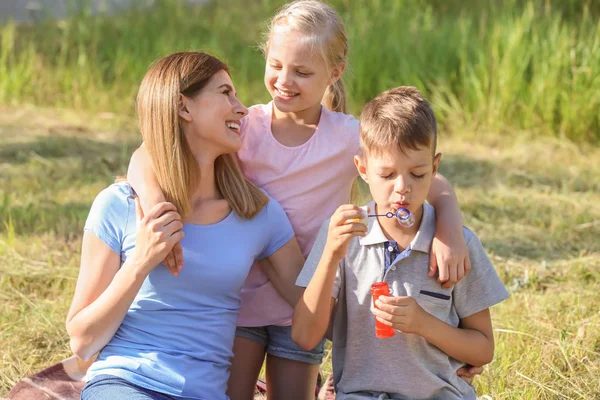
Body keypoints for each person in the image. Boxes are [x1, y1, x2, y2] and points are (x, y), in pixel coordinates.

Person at [127, 2, 479, 398]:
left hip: (305, 304)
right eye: (276, 65)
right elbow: (147, 154)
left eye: (302, 72)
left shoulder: (347, 136)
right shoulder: (242, 126)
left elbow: (424, 176)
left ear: (335, 72)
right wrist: (156, 205)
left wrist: (448, 226)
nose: (284, 80)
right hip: (239, 299)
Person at [66, 51, 306, 400]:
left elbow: (311, 304)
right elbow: (82, 341)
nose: (241, 108)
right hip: (125, 383)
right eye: (226, 93)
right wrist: (140, 262)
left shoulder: (257, 213)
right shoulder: (119, 205)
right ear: (183, 107)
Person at [293, 86, 509, 400]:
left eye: (418, 174)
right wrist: (329, 256)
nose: (402, 189)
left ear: (435, 168)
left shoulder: (456, 245)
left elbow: (483, 348)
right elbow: (303, 335)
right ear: (363, 169)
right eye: (387, 174)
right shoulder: (343, 236)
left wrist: (424, 324)